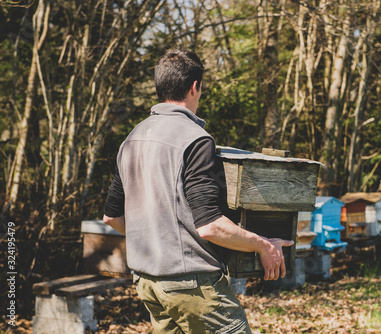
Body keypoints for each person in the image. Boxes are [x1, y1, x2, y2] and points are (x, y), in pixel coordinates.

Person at [103, 48, 294, 334]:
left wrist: (157, 241)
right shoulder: (195, 140)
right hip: (191, 285)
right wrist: (264, 246)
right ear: (194, 87)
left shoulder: (132, 138)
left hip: (147, 284)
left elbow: (111, 218)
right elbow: (209, 227)